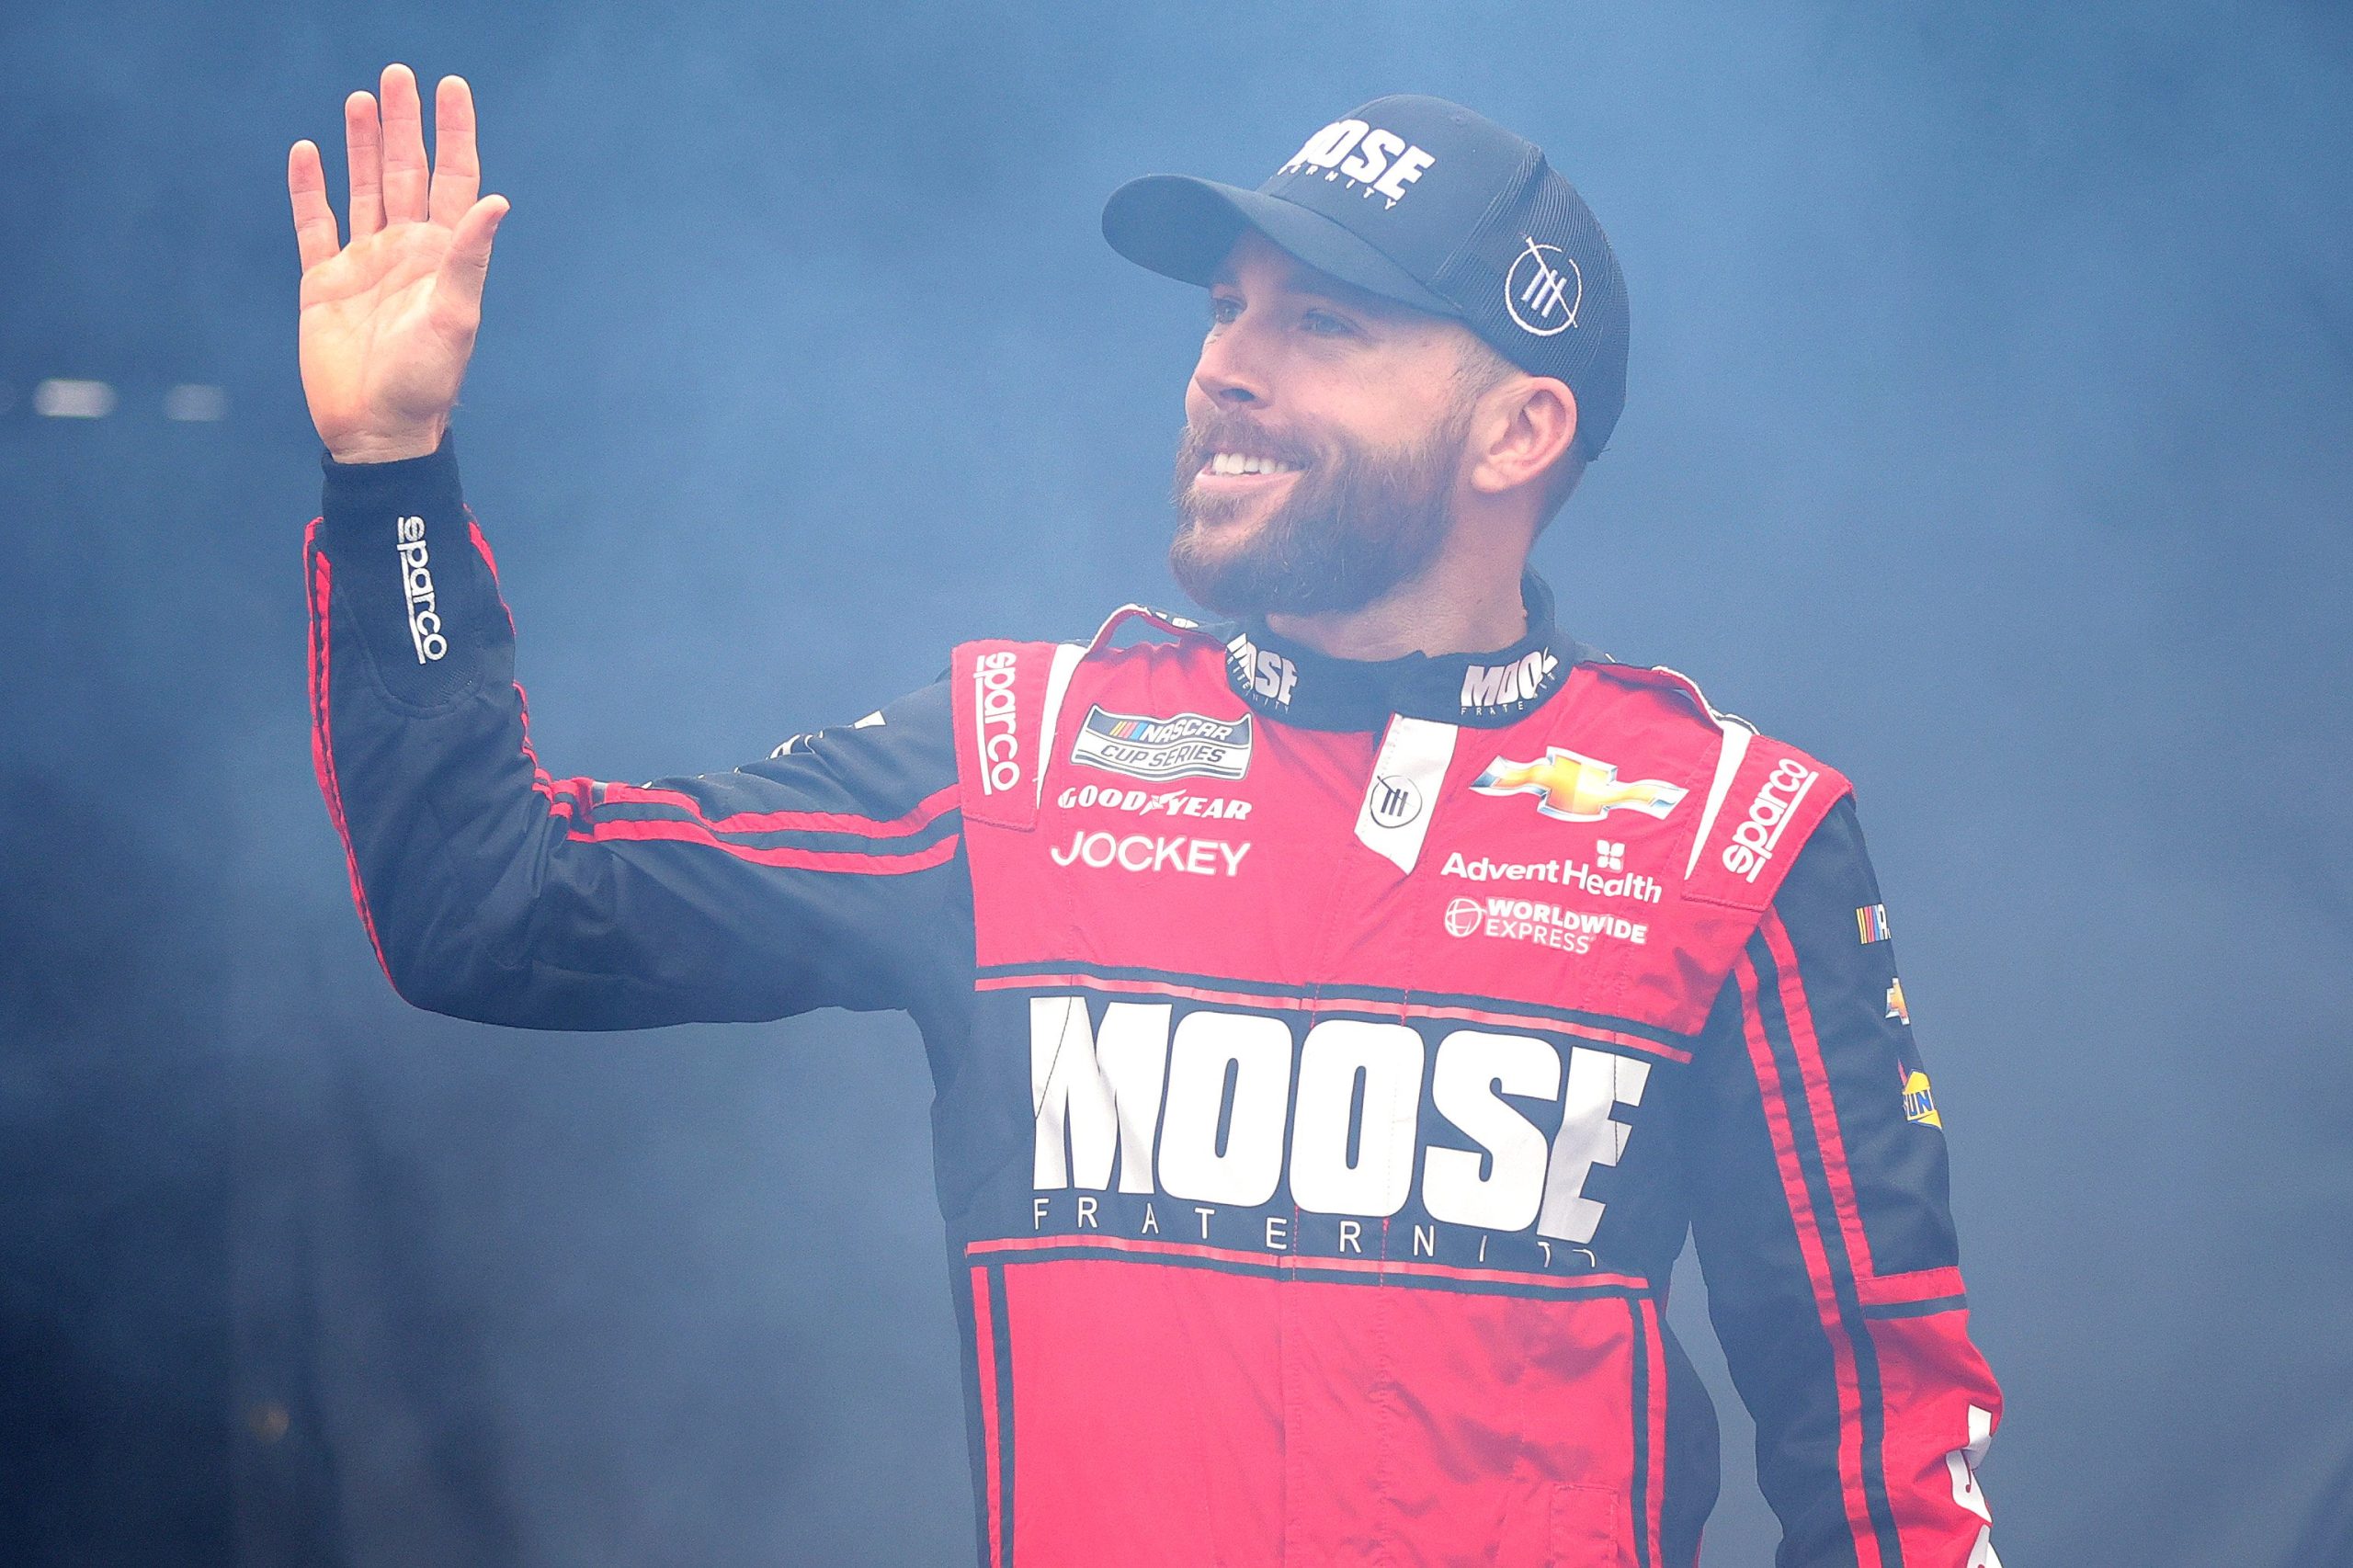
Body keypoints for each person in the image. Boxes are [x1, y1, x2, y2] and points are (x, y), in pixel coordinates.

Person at [289, 64, 2004, 1568]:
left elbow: (1883, 1440)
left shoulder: (1725, 835)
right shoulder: (1020, 764)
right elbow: (488, 904)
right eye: (1222, 310)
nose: (1229, 369)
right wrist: (392, 476)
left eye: (1322, 324)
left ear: (1520, 429)